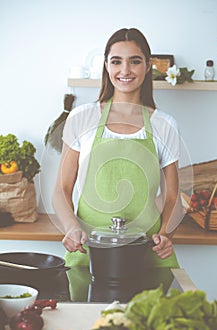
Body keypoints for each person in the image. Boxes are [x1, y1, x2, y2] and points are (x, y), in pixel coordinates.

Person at [52, 28, 183, 279]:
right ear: (106, 66)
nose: (125, 70)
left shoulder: (164, 124)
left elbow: (172, 196)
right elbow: (61, 189)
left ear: (148, 66)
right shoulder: (82, 117)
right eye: (116, 61)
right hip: (89, 250)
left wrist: (166, 234)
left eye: (135, 61)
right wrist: (71, 228)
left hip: (147, 251)